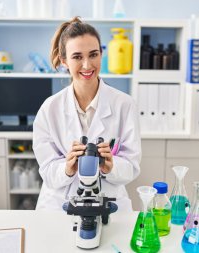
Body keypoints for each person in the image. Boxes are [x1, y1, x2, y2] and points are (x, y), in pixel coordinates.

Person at [33, 17, 141, 211]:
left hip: (109, 202)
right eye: (77, 57)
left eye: (93, 54)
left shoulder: (124, 105)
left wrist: (111, 166)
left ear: (101, 54)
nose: (87, 65)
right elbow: (47, 170)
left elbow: (132, 166)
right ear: (64, 60)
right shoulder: (49, 109)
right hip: (59, 206)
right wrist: (67, 168)